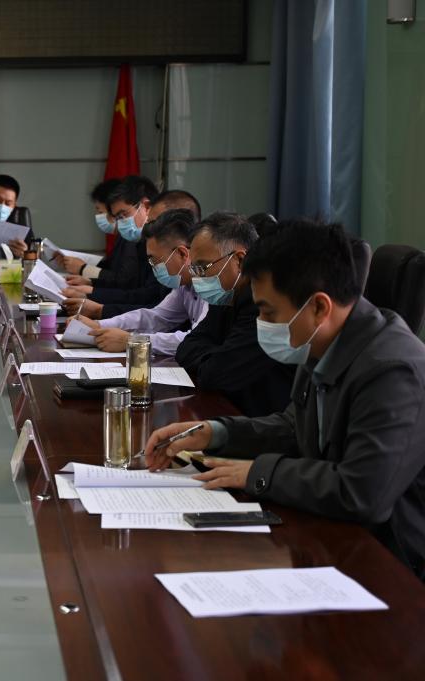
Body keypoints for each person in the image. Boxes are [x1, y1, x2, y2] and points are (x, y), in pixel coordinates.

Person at [145, 221, 425, 579]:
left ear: (319, 307)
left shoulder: (392, 369)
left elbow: (361, 492)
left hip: (388, 563)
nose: (261, 323)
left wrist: (257, 473)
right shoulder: (324, 339)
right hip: (331, 532)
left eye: (268, 313)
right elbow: (295, 425)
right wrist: (216, 432)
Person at [173, 212, 295, 417]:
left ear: (239, 260)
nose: (196, 278)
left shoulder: (264, 304)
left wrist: (214, 357)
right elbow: (185, 348)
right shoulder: (226, 295)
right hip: (232, 410)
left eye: (203, 267)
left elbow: (216, 374)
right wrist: (216, 356)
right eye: (194, 269)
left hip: (265, 419)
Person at [73, 209, 207, 354]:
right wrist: (99, 325)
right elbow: (157, 317)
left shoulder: (213, 286)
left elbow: (197, 340)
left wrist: (133, 341)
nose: (153, 267)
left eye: (155, 260)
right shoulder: (184, 284)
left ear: (182, 254)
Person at [65, 188, 202, 318]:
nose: (150, 227)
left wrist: (97, 303)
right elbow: (159, 316)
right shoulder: (159, 253)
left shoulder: (204, 281)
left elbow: (148, 299)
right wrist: (97, 304)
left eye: (155, 222)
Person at [52, 178, 120, 276]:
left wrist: (83, 269)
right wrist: (73, 263)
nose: (98, 216)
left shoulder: (131, 239)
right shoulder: (121, 238)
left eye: (100, 212)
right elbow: (111, 268)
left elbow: (122, 280)